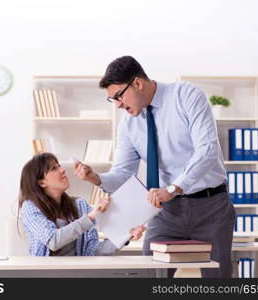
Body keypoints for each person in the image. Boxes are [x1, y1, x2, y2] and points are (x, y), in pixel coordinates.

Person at [74, 56, 235, 277]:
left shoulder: (186, 96)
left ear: (137, 83)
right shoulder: (129, 125)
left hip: (211, 206)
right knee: (150, 275)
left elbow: (206, 150)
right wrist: (96, 178)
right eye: (112, 100)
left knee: (218, 280)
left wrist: (174, 188)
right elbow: (122, 173)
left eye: (119, 96)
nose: (118, 105)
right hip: (165, 212)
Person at [18, 152, 146, 256]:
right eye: (54, 168)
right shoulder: (30, 208)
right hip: (47, 274)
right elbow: (53, 241)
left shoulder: (80, 205)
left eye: (59, 165)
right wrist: (90, 217)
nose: (62, 170)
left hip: (79, 272)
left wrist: (125, 237)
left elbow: (92, 251)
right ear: (41, 183)